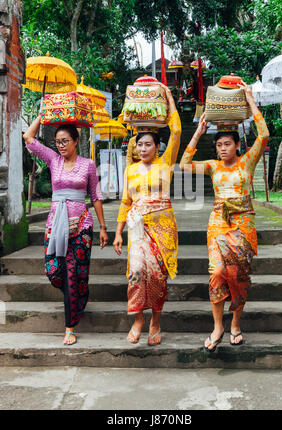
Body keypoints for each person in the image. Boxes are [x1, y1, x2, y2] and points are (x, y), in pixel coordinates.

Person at [179, 81, 269, 352]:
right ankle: (218, 325)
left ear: (238, 145)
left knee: (239, 275)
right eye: (218, 145)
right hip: (218, 223)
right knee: (217, 272)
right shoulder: (213, 167)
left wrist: (250, 99)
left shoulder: (247, 162)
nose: (222, 149)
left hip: (243, 224)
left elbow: (263, 135)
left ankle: (235, 324)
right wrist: (198, 133)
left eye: (227, 144)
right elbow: (183, 165)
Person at [23, 118, 108, 345]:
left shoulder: (88, 165)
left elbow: (96, 197)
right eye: (57, 141)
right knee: (54, 271)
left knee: (73, 274)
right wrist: (42, 115)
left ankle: (69, 328)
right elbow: (29, 138)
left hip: (82, 226)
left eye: (65, 141)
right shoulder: (53, 161)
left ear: (76, 141)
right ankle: (80, 295)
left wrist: (103, 227)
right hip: (55, 225)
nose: (60, 145)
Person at [113, 84, 181, 346]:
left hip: (163, 227)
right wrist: (118, 232)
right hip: (138, 227)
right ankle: (138, 318)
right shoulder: (130, 171)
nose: (143, 148)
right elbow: (125, 202)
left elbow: (175, 129)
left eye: (148, 144)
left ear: (157, 146)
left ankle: (155, 320)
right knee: (137, 272)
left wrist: (169, 95)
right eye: (139, 144)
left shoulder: (165, 164)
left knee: (158, 275)